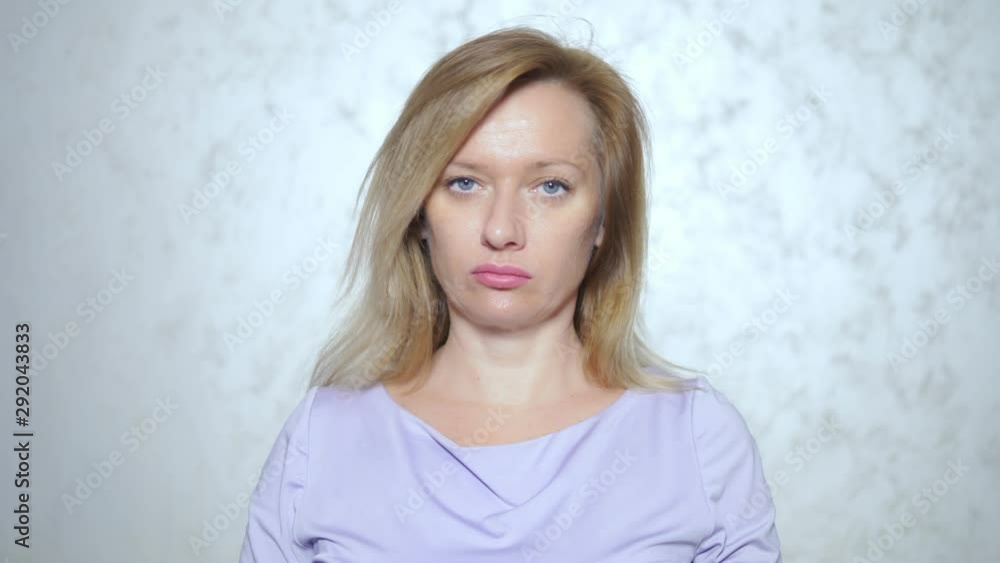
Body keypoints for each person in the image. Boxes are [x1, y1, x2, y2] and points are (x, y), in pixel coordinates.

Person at [239, 25, 782, 562]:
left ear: (603, 220)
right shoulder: (322, 436)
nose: (501, 230)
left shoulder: (697, 437)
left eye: (550, 186)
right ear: (419, 213)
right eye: (464, 183)